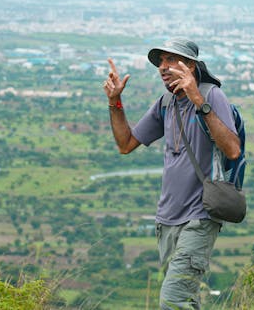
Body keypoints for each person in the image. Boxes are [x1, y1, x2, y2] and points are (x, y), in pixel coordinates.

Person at [103, 37, 240, 310]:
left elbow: (232, 149)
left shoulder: (212, 96)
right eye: (161, 62)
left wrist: (197, 99)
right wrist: (115, 102)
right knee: (186, 299)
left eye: (171, 60)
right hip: (166, 219)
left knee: (173, 300)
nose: (163, 67)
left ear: (190, 66)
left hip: (199, 216)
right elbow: (126, 144)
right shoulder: (166, 103)